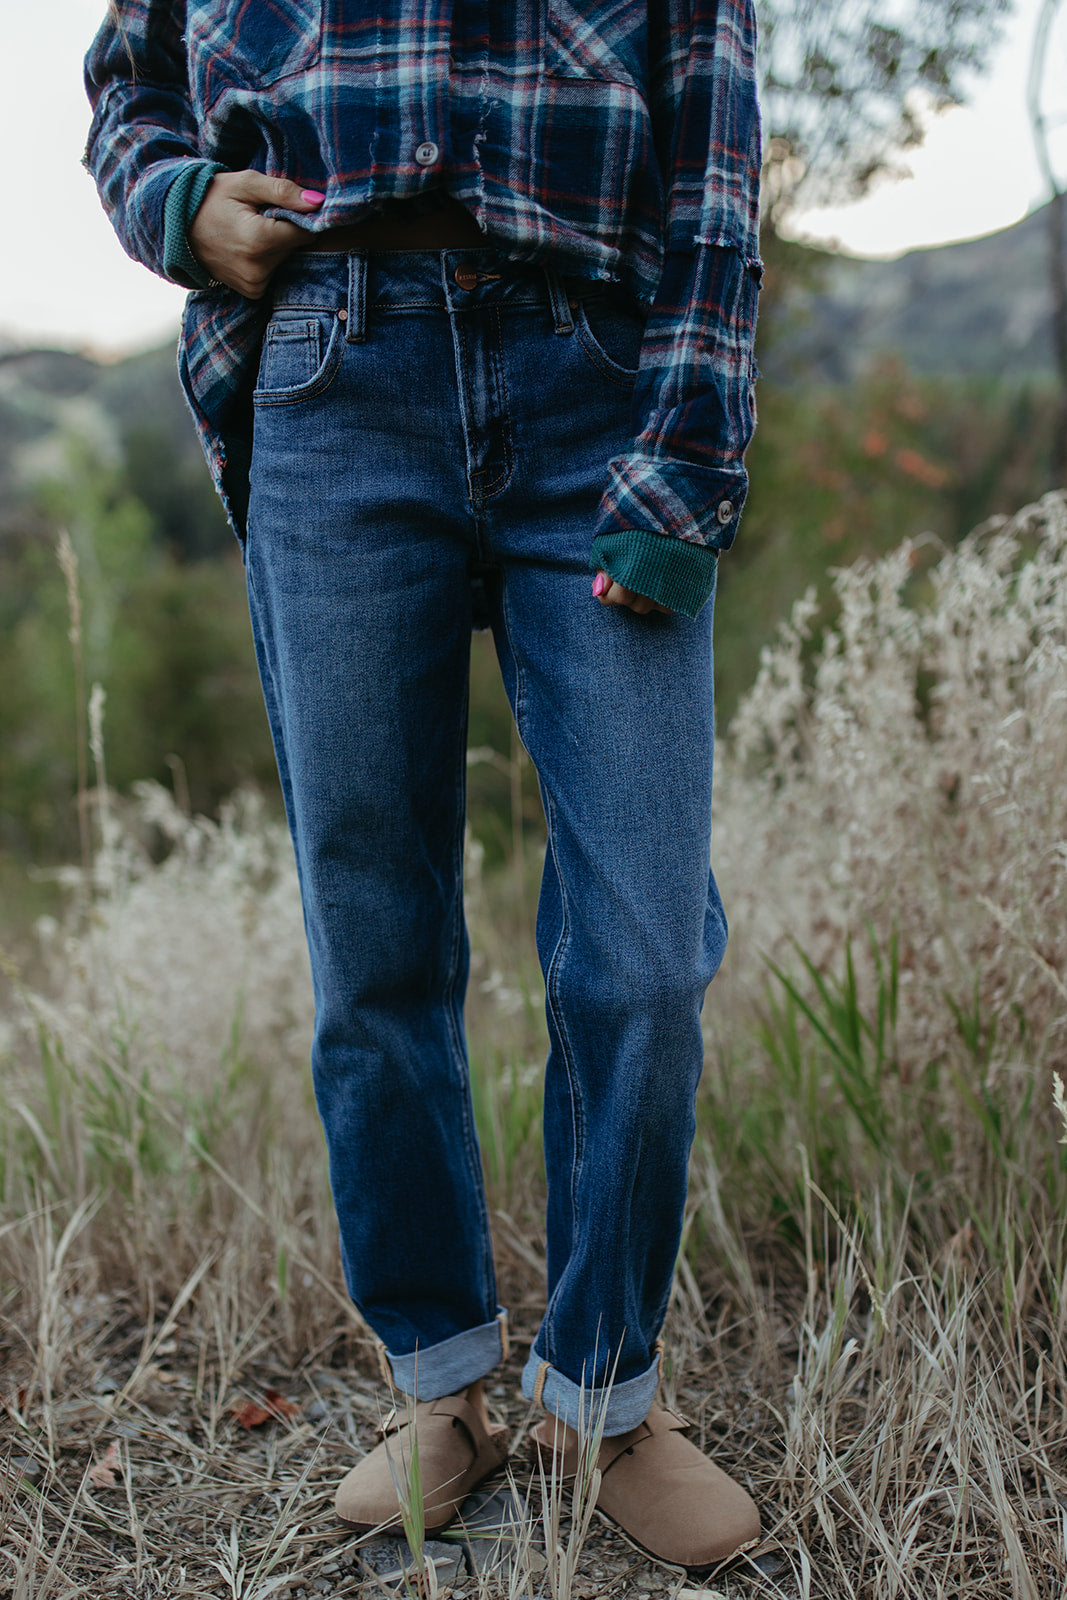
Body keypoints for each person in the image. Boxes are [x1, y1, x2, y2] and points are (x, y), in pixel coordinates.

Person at [84, 0, 763, 1575]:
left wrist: (687, 464)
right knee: (375, 942)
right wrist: (178, 205)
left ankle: (604, 1395)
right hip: (335, 368)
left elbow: (717, 147)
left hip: (598, 381)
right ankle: (445, 1382)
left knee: (648, 953)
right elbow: (131, 75)